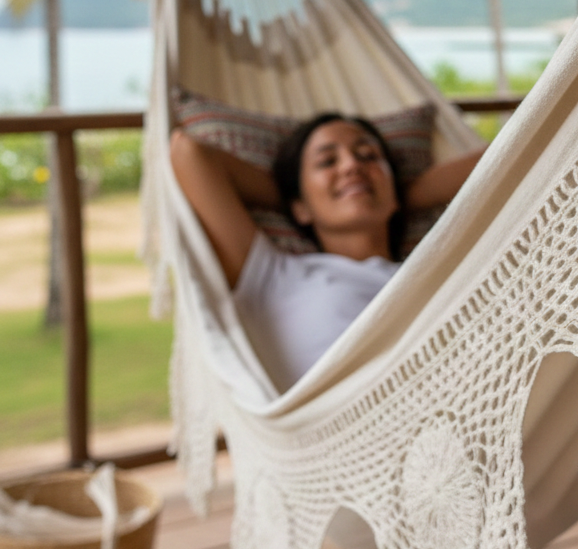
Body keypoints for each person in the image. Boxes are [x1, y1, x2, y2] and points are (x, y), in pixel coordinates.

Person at [170, 114, 484, 393]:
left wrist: (388, 193)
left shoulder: (435, 266)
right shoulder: (275, 274)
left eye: (368, 156)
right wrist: (318, 198)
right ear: (299, 206)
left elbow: (516, 156)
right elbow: (189, 152)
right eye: (327, 162)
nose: (352, 165)